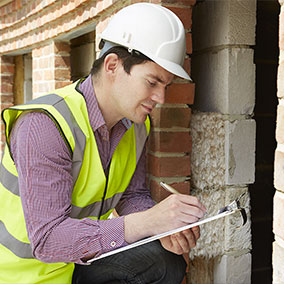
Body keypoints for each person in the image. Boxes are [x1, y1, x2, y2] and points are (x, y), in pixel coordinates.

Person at [0, 3, 206, 284]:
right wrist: (147, 223)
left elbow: (131, 196)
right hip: (24, 276)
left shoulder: (136, 126)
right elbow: (48, 241)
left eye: (165, 86)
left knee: (165, 261)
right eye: (152, 82)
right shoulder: (44, 126)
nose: (161, 98)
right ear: (112, 65)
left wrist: (163, 229)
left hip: (77, 264)